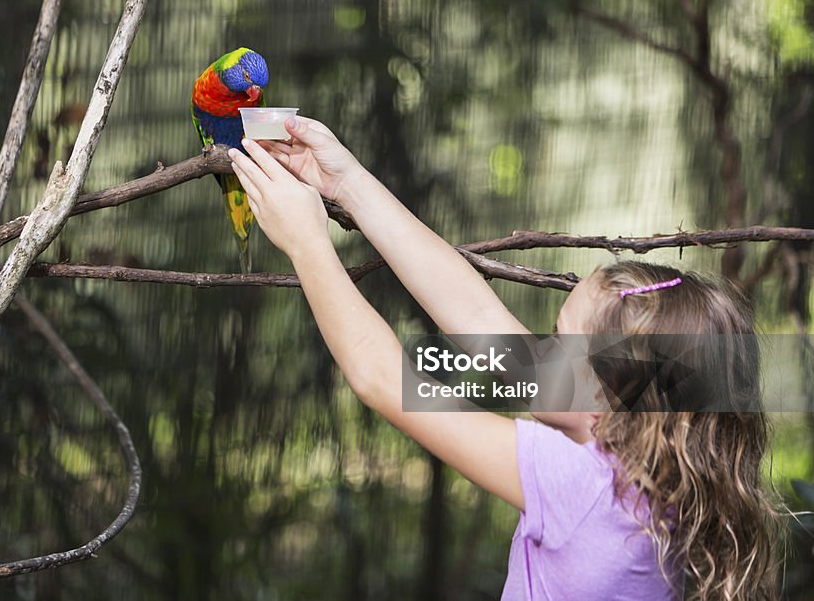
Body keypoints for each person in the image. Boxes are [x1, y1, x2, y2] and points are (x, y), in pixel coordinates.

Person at [226, 116, 781, 600]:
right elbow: (475, 316)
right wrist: (344, 182)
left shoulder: (579, 487)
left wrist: (307, 243)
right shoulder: (658, 489)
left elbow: (380, 376)